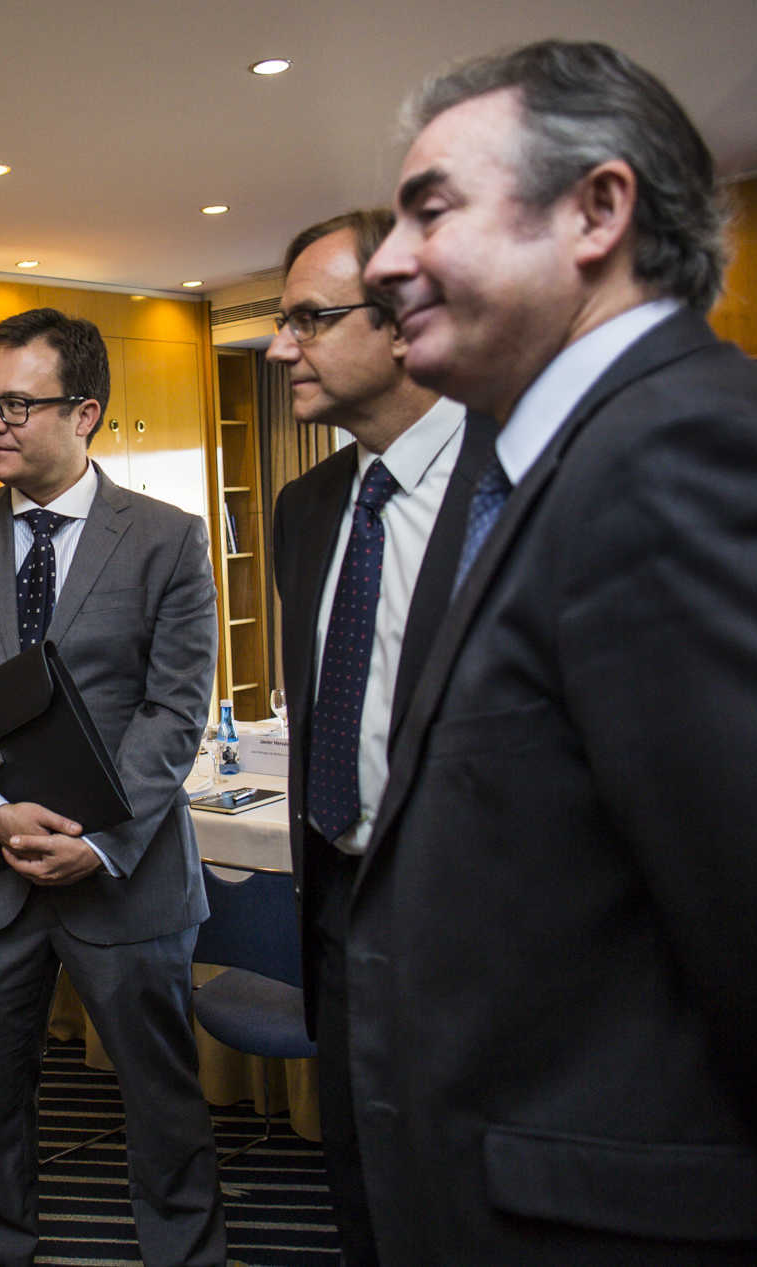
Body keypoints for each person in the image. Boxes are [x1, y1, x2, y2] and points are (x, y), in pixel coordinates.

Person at [349, 40, 757, 1262]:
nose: (384, 261)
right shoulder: (580, 457)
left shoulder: (681, 454)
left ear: (596, 210)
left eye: (431, 209)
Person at [0, 308, 224, 1266]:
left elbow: (174, 710)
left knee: (162, 1099)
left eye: (16, 404)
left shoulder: (166, 539)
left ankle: (185, 1251)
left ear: (85, 413)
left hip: (124, 874)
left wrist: (100, 840)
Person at [264, 208, 492, 1265]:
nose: (281, 348)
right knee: (361, 1186)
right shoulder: (305, 506)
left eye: (308, 319)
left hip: (484, 927)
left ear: (403, 323)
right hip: (339, 907)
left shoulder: (522, 480)